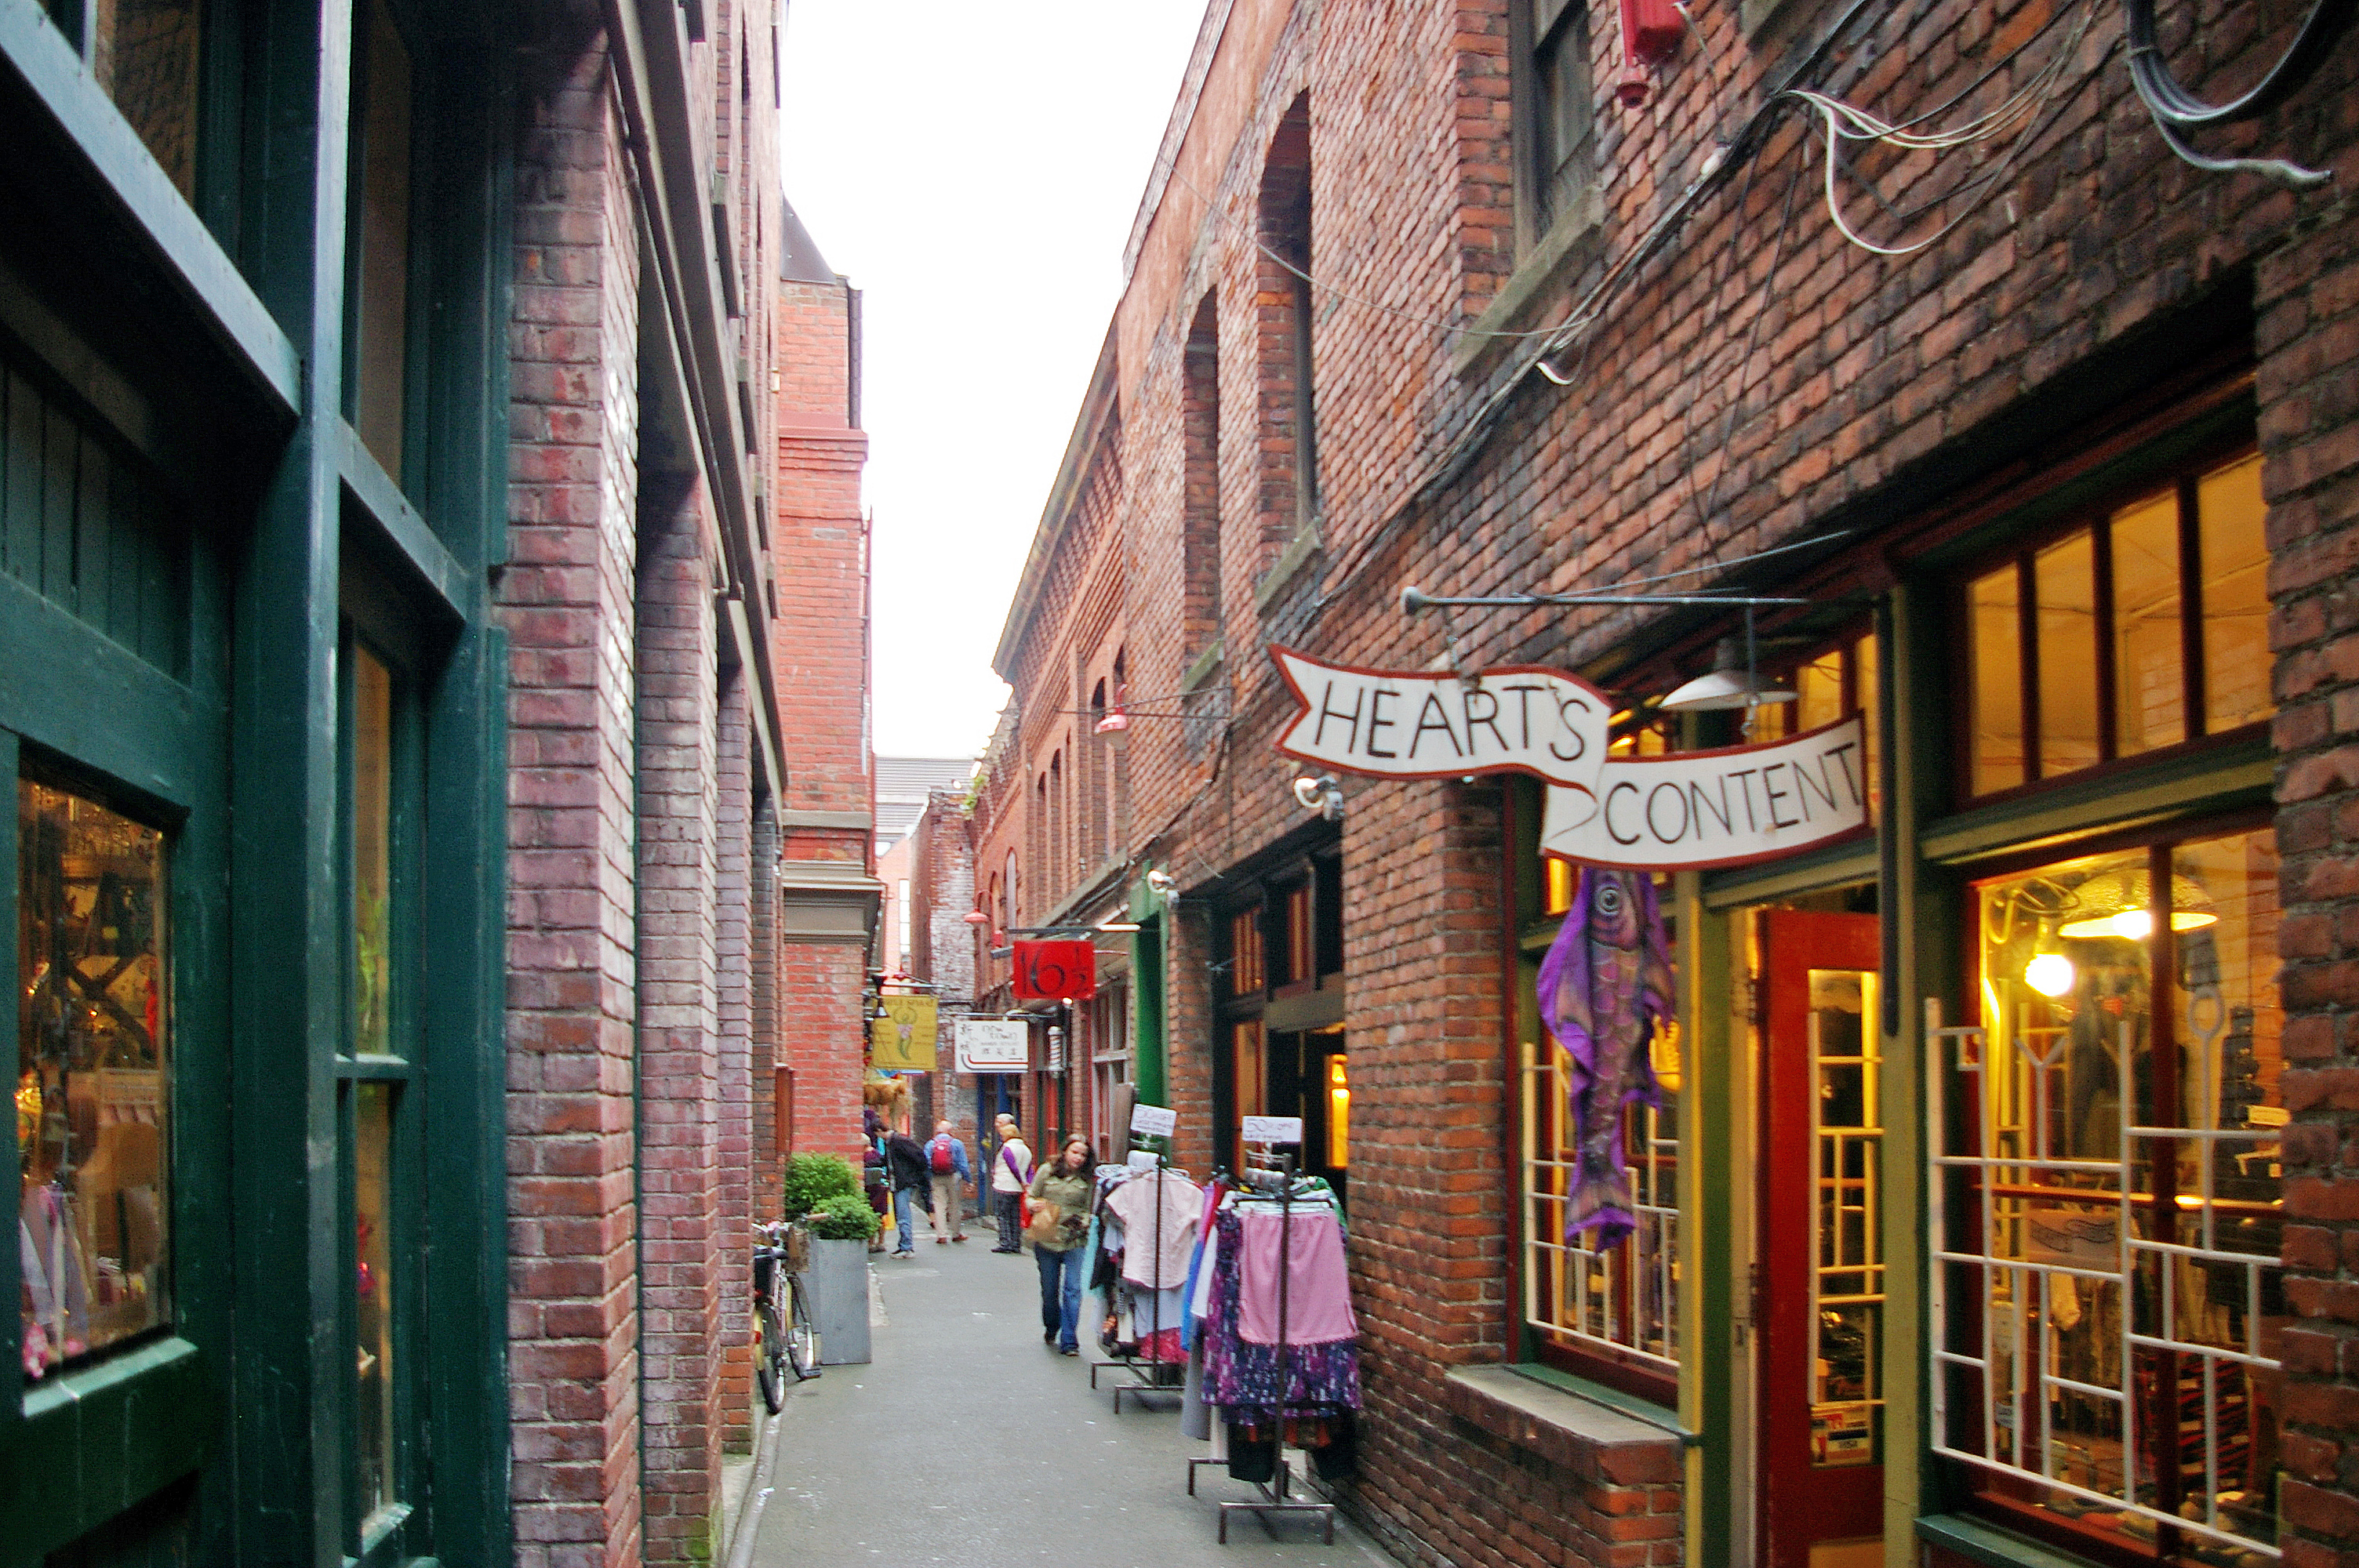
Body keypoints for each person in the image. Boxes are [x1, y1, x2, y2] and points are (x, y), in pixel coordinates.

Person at [1027, 1134, 1094, 1354]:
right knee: (1050, 1290)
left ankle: (1069, 1340)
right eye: (1075, 1152)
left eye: (1083, 1154)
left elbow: (1089, 1208)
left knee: (1073, 1290)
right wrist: (1033, 1204)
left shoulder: (1088, 1179)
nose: (1079, 1158)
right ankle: (1052, 1326)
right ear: (1065, 1151)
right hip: (1047, 1237)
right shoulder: (1047, 1171)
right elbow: (1030, 1195)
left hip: (1074, 1239)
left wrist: (1084, 1221)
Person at [882, 1127, 929, 1258]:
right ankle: (904, 1245)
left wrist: (911, 1175)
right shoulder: (893, 1142)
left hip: (903, 1183)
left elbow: (919, 1157)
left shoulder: (898, 1141)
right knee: (901, 1215)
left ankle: (906, 1247)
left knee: (903, 1215)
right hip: (901, 1182)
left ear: (880, 1131)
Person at [924, 1120, 972, 1243]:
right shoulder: (957, 1143)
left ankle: (941, 1235)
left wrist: (930, 1177)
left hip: (936, 1177)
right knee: (954, 1205)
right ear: (950, 1131)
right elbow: (963, 1164)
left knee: (939, 1205)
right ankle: (956, 1233)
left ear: (937, 1131)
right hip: (953, 1177)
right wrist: (968, 1180)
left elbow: (926, 1163)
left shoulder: (930, 1144)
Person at [988, 1117, 1032, 1253]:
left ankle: (1005, 1243)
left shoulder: (1007, 1148)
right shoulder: (1026, 1149)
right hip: (1017, 1189)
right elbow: (1029, 1169)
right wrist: (1028, 1184)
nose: (1001, 1137)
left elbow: (1013, 1166)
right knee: (1015, 1215)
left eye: (1002, 1135)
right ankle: (1016, 1243)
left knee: (1002, 1215)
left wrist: (1021, 1181)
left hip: (1004, 1186)